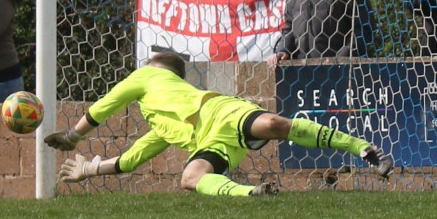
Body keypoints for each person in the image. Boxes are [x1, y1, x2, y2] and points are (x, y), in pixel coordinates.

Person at [45, 51, 392, 197]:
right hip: (212, 142)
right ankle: (252, 193)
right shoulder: (160, 125)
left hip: (220, 113)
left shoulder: (148, 73)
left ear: (156, 67)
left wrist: (73, 135)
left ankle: (364, 149)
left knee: (273, 123)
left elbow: (105, 106)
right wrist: (89, 170)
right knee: (189, 178)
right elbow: (130, 160)